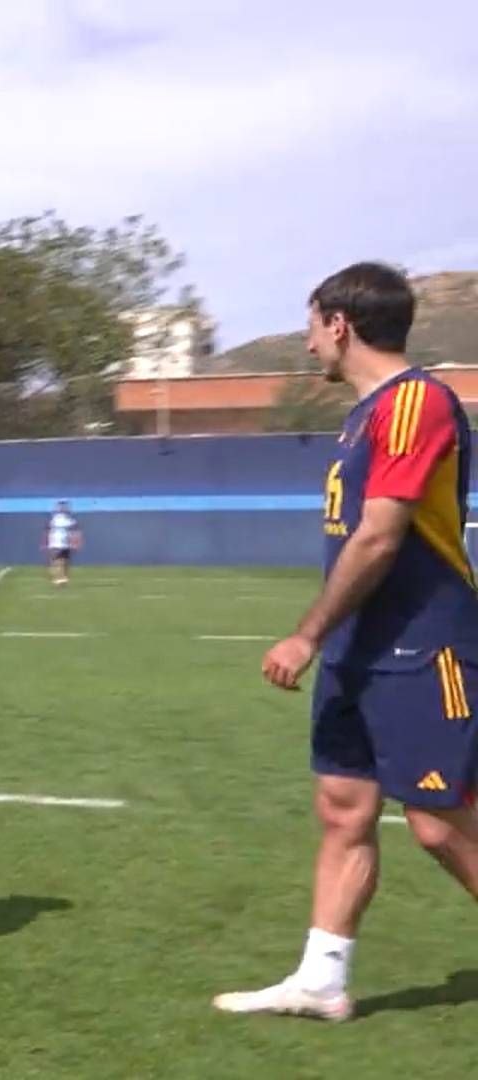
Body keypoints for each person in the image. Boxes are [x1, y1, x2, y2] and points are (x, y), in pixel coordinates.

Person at [217, 263, 478, 1022]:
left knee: (439, 821)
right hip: (359, 652)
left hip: (422, 648)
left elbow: (380, 536)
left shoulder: (413, 404)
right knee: (343, 806)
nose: (306, 347)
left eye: (310, 328)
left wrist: (305, 634)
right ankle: (321, 978)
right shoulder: (363, 415)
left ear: (340, 324)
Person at [45, 501, 81, 585]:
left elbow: (75, 529)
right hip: (56, 543)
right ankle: (58, 577)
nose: (63, 509)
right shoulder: (54, 520)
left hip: (65, 543)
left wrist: (75, 541)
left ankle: (62, 577)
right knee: (57, 560)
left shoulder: (68, 519)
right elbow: (48, 529)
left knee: (64, 560)